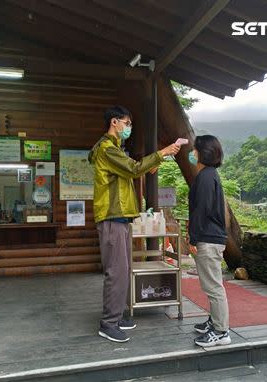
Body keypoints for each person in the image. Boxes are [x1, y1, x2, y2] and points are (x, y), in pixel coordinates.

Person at [89, 105, 181, 343]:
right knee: (116, 272)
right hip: (111, 217)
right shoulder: (107, 149)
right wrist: (164, 152)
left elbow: (131, 172)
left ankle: (117, 316)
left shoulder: (114, 150)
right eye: (126, 123)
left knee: (124, 269)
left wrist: (147, 167)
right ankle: (108, 323)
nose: (129, 127)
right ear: (114, 122)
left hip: (120, 217)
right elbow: (133, 168)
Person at [187, 135, 231, 347]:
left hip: (208, 238)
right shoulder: (209, 174)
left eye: (194, 149)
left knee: (213, 286)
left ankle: (221, 331)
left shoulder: (205, 176)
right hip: (211, 237)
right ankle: (214, 322)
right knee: (211, 285)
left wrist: (193, 238)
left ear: (202, 152)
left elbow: (201, 210)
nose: (192, 153)